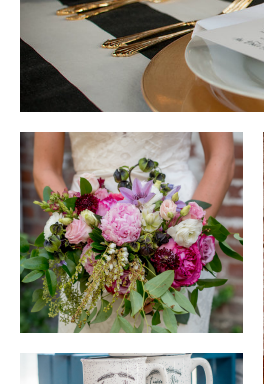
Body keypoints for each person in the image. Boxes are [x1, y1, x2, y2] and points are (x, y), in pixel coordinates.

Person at [32, 132, 235, 333]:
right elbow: (45, 167)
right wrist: (85, 234)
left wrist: (181, 241)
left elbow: (222, 156)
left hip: (175, 224)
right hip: (86, 238)